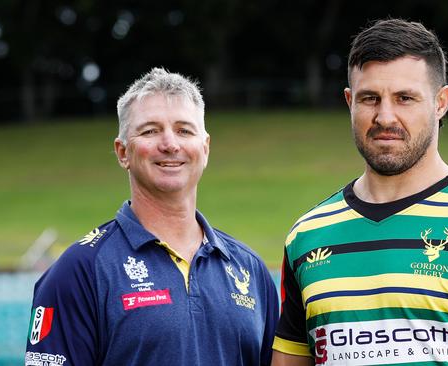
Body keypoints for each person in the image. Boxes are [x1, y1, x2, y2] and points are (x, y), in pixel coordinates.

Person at [272, 19, 448, 366]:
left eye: (405, 98)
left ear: (441, 102)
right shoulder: (307, 235)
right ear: (350, 102)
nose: (385, 116)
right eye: (370, 98)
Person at [25, 67, 279, 365]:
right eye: (150, 131)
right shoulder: (79, 270)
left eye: (184, 130)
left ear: (205, 148)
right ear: (123, 152)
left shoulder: (249, 270)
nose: (170, 144)